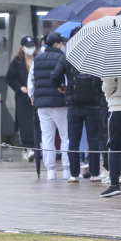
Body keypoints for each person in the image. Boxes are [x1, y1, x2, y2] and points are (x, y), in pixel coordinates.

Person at [52, 51, 104, 182]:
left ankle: (74, 174)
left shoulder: (67, 57)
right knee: (93, 141)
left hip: (74, 105)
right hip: (94, 106)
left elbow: (54, 76)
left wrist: (60, 86)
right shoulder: (97, 55)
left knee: (73, 141)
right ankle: (95, 174)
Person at [29, 32, 69, 179]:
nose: (64, 45)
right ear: (56, 44)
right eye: (62, 43)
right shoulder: (63, 58)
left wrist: (33, 97)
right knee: (65, 136)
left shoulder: (37, 60)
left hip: (42, 105)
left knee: (47, 137)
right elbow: (66, 80)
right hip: (60, 103)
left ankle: (50, 171)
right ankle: (67, 169)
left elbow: (31, 81)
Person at [5, 37, 38, 161]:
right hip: (23, 97)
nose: (31, 48)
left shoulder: (38, 59)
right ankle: (27, 147)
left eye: (32, 46)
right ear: (22, 48)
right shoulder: (17, 62)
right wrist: (20, 87)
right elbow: (9, 78)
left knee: (37, 121)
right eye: (28, 46)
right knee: (25, 122)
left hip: (36, 96)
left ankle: (35, 147)